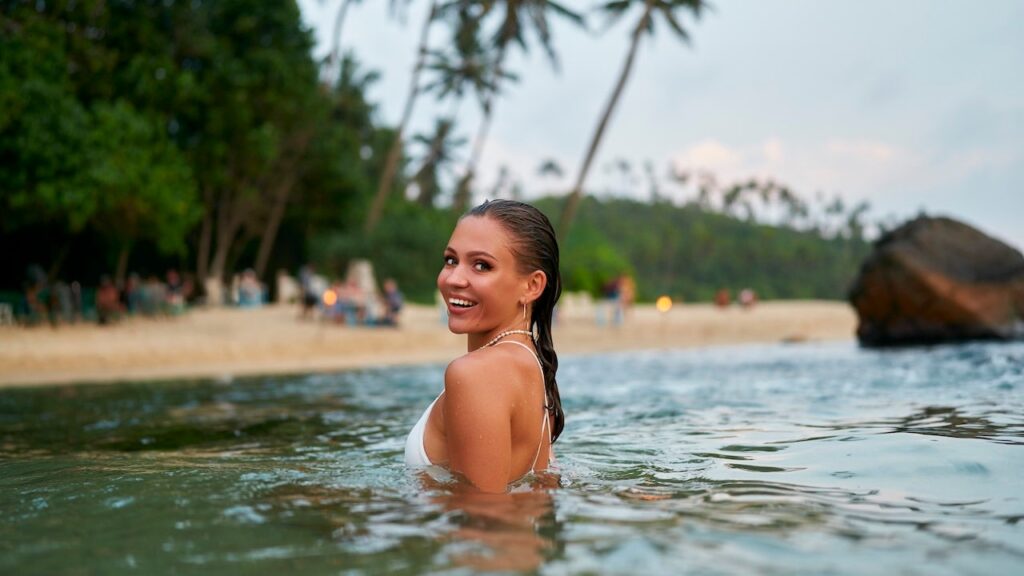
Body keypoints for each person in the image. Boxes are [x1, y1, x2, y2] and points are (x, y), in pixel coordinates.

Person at [405, 199, 564, 493]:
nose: (454, 278)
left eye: (481, 265)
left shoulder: (476, 374)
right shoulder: (533, 368)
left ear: (532, 286)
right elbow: (541, 486)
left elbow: (482, 522)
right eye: (451, 260)